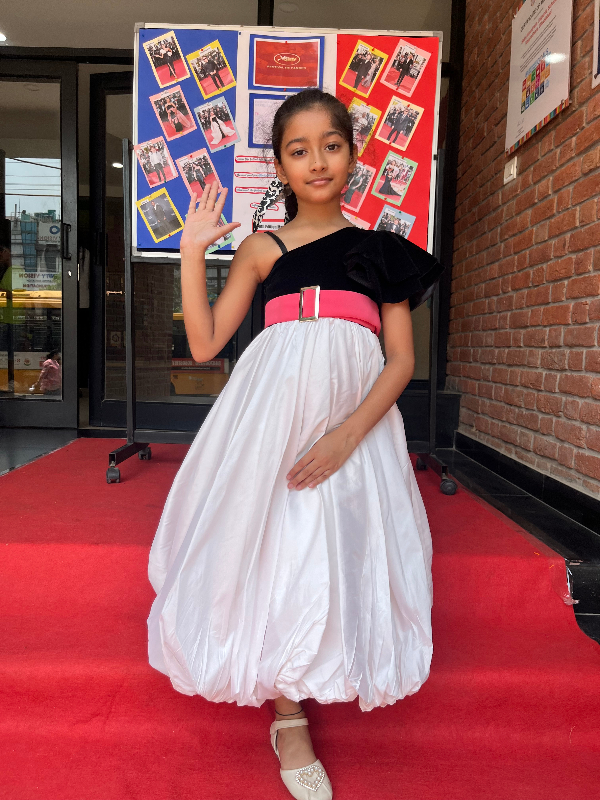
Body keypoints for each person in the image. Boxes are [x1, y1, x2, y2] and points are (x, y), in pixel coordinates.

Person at [147, 89, 443, 800]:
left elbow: (401, 360)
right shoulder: (261, 249)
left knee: (332, 545)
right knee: (275, 542)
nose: (317, 161)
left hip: (353, 423)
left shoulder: (381, 251)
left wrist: (347, 436)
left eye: (331, 145)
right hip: (271, 416)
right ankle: (289, 718)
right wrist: (192, 251)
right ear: (279, 166)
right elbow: (205, 343)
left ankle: (321, 667)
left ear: (353, 155)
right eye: (299, 150)